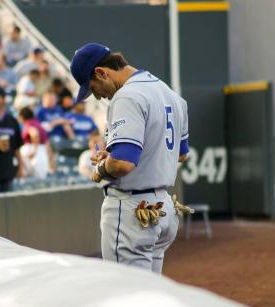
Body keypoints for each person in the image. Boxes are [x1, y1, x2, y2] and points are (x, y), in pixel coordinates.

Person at [70, 43, 190, 274]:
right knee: (149, 294)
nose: (97, 95)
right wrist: (118, 155)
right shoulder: (168, 92)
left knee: (126, 298)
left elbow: (123, 164)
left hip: (131, 211)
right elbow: (181, 153)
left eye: (93, 88)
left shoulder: (126, 96)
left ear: (101, 72)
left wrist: (103, 167)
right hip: (161, 208)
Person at [18, 106, 55, 179]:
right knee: (40, 180)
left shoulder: (29, 124)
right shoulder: (39, 125)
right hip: (43, 153)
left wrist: (34, 151)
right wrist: (51, 161)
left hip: (32, 152)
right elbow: (47, 144)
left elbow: (34, 134)